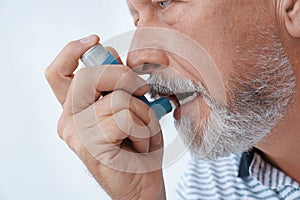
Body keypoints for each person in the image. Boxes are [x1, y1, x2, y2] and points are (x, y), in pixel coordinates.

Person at [45, 0, 300, 199]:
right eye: (137, 19)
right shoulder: (209, 186)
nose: (137, 58)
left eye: (165, 3)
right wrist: (141, 197)